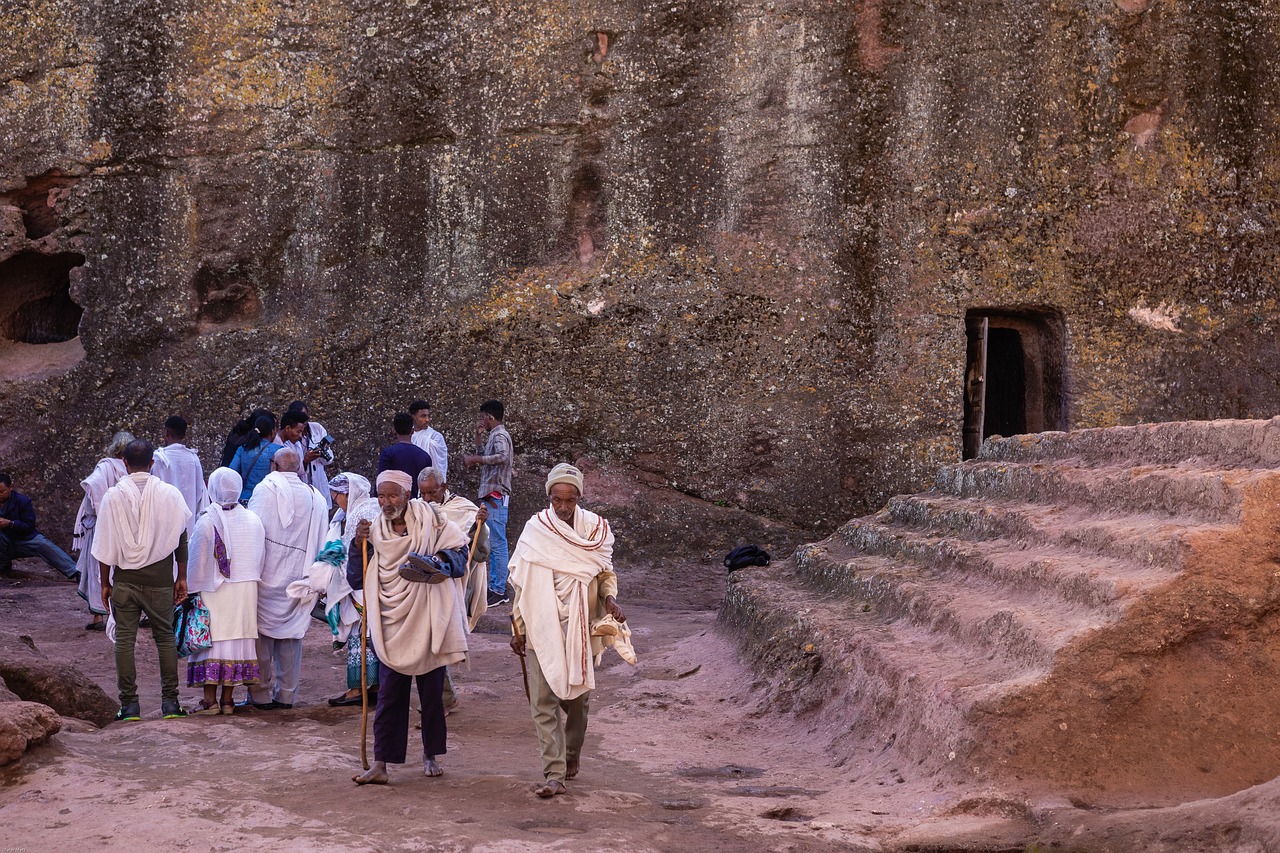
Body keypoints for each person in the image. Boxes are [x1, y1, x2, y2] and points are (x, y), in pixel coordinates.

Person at [509, 463, 625, 798]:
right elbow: (522, 583)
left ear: (578, 498)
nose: (562, 507)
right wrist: (518, 627)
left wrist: (610, 600)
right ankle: (554, 773)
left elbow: (604, 573)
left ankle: (571, 754)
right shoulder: (535, 530)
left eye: (569, 500)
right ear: (549, 497)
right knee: (543, 702)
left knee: (578, 699)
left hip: (580, 627)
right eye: (557, 500)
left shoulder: (594, 530)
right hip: (539, 623)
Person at [351, 470, 470, 785]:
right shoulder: (373, 531)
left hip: (428, 616)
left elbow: (461, 554)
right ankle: (380, 763)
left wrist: (438, 564)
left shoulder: (432, 520)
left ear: (406, 495)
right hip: (391, 621)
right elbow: (355, 577)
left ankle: (430, 754)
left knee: (431, 696)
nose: (387, 502)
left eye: (393, 495)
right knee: (390, 694)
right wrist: (356, 544)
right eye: (382, 496)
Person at [91, 440, 192, 721]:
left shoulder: (113, 496)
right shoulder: (169, 494)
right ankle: (171, 704)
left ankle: (130, 706)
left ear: (123, 462)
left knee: (125, 640)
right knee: (165, 640)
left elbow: (104, 544)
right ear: (152, 463)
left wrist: (105, 582)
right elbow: (180, 539)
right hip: (160, 582)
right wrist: (181, 578)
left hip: (124, 581)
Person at [244, 447, 327, 710]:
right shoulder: (317, 498)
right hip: (299, 578)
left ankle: (259, 696)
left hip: (265, 575)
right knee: (291, 639)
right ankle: (287, 696)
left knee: (261, 640)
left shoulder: (264, 490)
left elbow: (253, 532)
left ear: (274, 466)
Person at [185, 468, 265, 715]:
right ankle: (228, 701)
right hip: (245, 590)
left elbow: (196, 561)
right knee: (235, 641)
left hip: (213, 590)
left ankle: (209, 701)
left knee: (213, 642)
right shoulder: (253, 519)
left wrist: (191, 590)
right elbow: (259, 557)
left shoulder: (207, 520)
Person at [417, 465, 490, 712]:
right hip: (424, 582)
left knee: (439, 634)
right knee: (428, 636)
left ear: (444, 488)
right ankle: (443, 698)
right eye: (423, 493)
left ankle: (441, 699)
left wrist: (477, 528)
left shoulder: (465, 511)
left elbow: (479, 552)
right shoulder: (417, 511)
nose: (427, 499)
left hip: (455, 582)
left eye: (432, 493)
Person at [323, 472, 382, 708]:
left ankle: (357, 689)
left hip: (363, 584)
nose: (335, 500)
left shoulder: (360, 513)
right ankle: (376, 688)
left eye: (336, 495)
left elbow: (352, 554)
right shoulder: (365, 508)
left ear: (347, 494)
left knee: (363, 634)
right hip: (374, 582)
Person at [74, 431, 134, 630]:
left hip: (103, 526)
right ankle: (120, 614)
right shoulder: (132, 468)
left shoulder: (106, 466)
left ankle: (99, 617)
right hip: (126, 527)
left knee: (97, 570)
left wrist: (100, 509)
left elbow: (92, 485)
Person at [463, 399, 513, 607]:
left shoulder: (500, 434)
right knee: (494, 541)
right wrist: (478, 437)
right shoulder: (495, 434)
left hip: (496, 494)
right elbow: (487, 454)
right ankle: (496, 586)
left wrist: (475, 460)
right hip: (493, 495)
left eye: (484, 416)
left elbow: (501, 456)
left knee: (498, 543)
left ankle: (498, 589)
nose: (482, 420)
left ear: (490, 417)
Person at [0, 472, 78, 580]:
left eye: (2, 492)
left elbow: (29, 526)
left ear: (10, 488)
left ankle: (75, 572)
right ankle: (3, 567)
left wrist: (10, 523)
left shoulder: (23, 501)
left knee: (42, 543)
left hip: (22, 540)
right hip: (2, 542)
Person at [152, 415, 209, 540]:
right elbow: (201, 493)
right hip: (189, 523)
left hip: (164, 524)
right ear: (183, 435)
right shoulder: (193, 459)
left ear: (166, 433)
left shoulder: (158, 459)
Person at [286, 400, 335, 509]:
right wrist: (306, 461)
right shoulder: (289, 438)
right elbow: (291, 467)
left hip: (319, 483)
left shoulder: (317, 428)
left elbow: (329, 460)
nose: (303, 422)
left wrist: (321, 452)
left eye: (304, 417)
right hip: (302, 486)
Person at [377, 412, 432, 499]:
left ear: (394, 430)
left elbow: (380, 482)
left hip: (392, 504)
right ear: (412, 431)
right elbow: (428, 485)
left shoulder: (388, 453)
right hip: (415, 503)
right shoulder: (424, 456)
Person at [229, 414, 280, 502]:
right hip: (268, 501)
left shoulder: (243, 449)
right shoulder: (278, 451)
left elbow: (231, 473)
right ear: (272, 432)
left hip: (245, 499)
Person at [409, 400, 448, 478]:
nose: (427, 420)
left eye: (428, 416)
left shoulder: (435, 437)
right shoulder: (408, 435)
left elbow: (440, 465)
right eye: (423, 416)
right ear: (413, 417)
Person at [275, 412, 309, 476]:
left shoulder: (290, 443)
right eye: (298, 432)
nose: (300, 436)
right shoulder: (276, 446)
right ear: (287, 428)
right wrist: (306, 460)